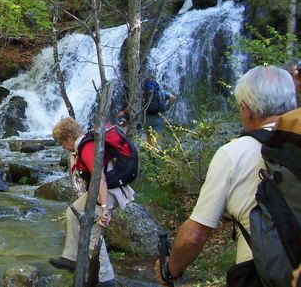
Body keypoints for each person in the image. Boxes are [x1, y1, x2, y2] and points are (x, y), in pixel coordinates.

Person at [153, 66, 297, 286]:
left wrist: (170, 271)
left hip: (261, 275)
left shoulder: (233, 153)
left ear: (246, 109)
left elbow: (196, 234)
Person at [49, 117, 134, 286]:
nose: (62, 146)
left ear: (69, 138)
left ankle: (106, 278)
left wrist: (104, 209)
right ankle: (71, 258)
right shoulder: (84, 145)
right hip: (106, 191)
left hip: (108, 192)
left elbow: (100, 178)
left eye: (61, 142)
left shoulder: (86, 147)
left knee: (94, 234)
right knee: (72, 213)